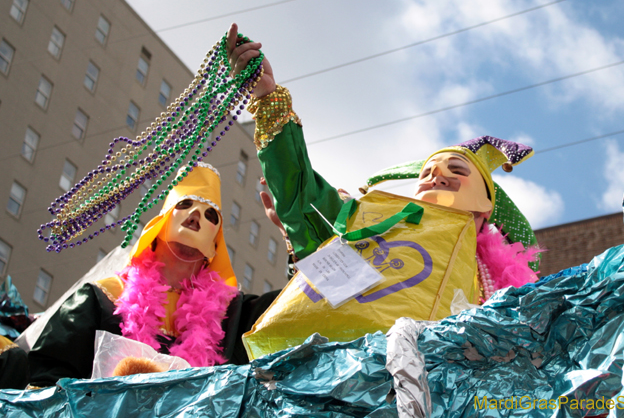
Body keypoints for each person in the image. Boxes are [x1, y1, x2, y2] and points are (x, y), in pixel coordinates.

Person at [227, 25, 541, 302]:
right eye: (428, 173)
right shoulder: (375, 230)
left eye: (457, 171)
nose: (438, 177)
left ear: (486, 207)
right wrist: (268, 99)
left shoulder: (505, 292)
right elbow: (305, 200)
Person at [27, 163, 279, 387]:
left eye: (209, 215)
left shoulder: (233, 316)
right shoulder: (101, 299)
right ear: (162, 222)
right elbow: (48, 379)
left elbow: (298, 308)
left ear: (215, 244)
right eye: (185, 205)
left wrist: (295, 233)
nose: (194, 218)